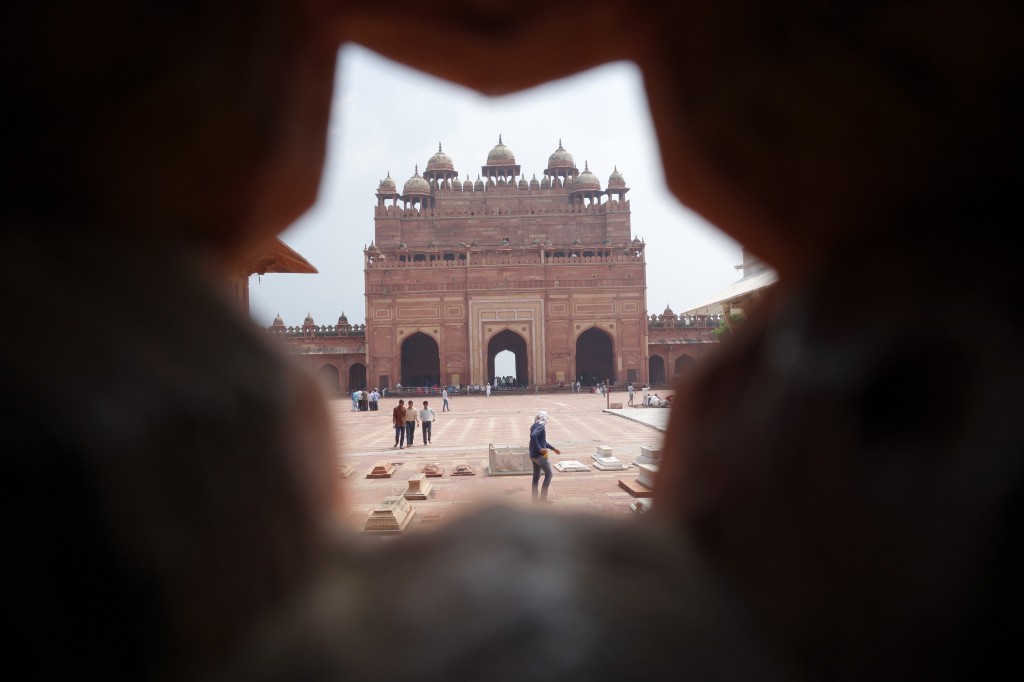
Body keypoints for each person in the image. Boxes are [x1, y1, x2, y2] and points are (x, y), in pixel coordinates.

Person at [528, 411, 560, 503]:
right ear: (545, 418)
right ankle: (543, 498)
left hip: (533, 455)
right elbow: (534, 436)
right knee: (549, 474)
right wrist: (540, 449)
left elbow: (542, 441)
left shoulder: (534, 425)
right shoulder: (541, 426)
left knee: (536, 477)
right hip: (540, 456)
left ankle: (535, 499)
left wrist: (553, 449)